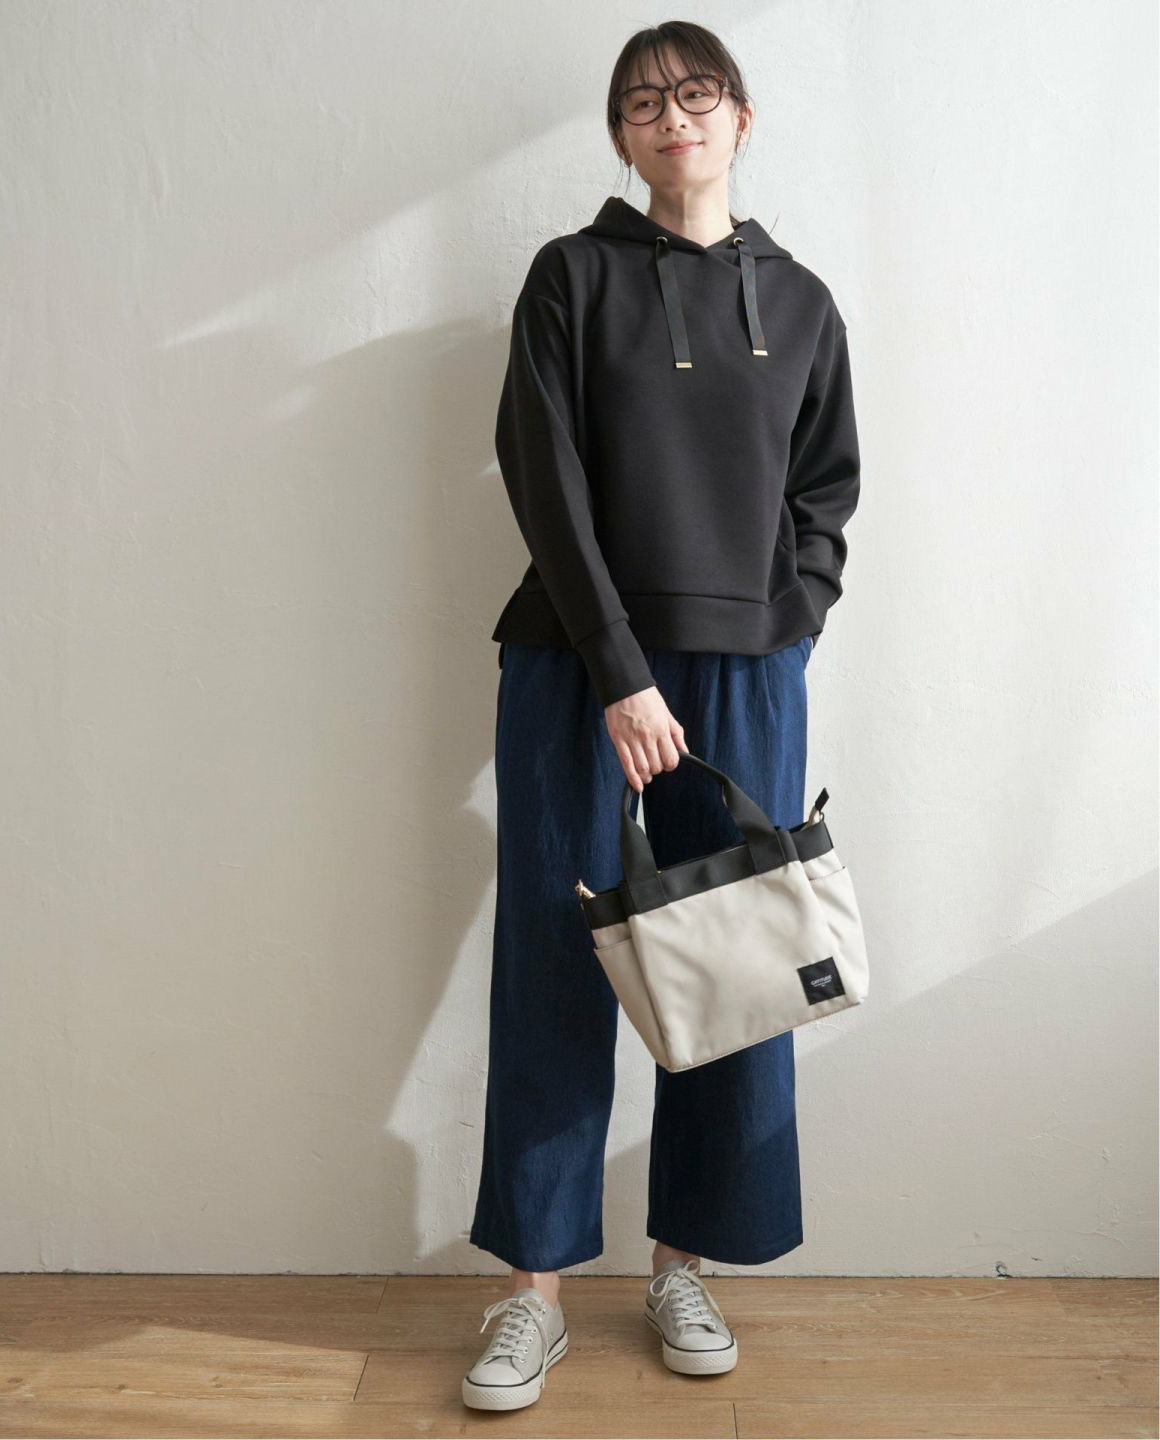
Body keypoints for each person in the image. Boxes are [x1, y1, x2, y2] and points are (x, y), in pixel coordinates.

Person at [461, 20, 861, 1412]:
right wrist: (622, 668)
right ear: (622, 137)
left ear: (740, 117)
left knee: (737, 970)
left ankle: (683, 1264)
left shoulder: (800, 300)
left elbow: (827, 489)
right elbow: (543, 474)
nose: (672, 116)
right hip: (580, 666)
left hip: (748, 670)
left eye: (695, 94)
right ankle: (532, 1294)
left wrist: (793, 619)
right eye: (644, 102)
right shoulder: (570, 278)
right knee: (555, 961)